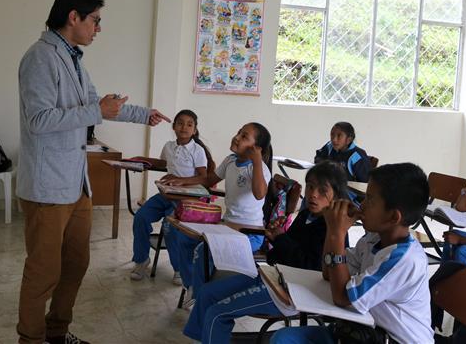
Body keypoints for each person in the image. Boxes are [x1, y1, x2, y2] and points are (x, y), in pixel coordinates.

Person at [16, 0, 170, 344]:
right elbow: (38, 120)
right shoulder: (40, 57)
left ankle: (57, 333)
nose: (98, 29)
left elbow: (96, 104)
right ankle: (31, 339)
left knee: (76, 264)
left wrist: (142, 114)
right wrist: (95, 110)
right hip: (47, 188)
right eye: (95, 21)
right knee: (43, 272)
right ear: (74, 17)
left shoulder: (72, 59)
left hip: (74, 184)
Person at [183, 161, 350, 344]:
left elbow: (311, 268)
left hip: (292, 293)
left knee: (218, 313)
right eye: (310, 187)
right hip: (273, 276)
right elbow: (287, 250)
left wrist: (281, 239)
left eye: (322, 191)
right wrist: (274, 237)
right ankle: (204, 339)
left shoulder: (334, 231)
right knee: (207, 293)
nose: (313, 194)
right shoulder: (305, 215)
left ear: (337, 197)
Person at [271, 163, 433, 344]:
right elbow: (328, 272)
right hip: (360, 331)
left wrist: (337, 233)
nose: (361, 205)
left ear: (393, 217)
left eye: (370, 200)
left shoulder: (404, 260)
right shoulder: (373, 238)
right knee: (284, 339)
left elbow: (342, 297)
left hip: (392, 339)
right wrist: (332, 228)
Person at [169, 122, 273, 302]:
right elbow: (209, 180)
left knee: (203, 250)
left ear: (257, 148)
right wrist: (182, 181)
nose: (237, 137)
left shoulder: (260, 168)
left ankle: (201, 297)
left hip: (249, 234)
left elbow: (259, 193)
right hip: (227, 226)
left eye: (244, 136)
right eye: (239, 132)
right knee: (183, 237)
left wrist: (257, 160)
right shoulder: (231, 160)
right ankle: (193, 288)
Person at [130, 109, 215, 284]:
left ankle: (178, 269)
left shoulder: (197, 150)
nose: (184, 127)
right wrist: (140, 163)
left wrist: (180, 180)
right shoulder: (168, 146)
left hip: (186, 200)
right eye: (180, 123)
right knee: (141, 217)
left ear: (195, 129)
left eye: (189, 124)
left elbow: (203, 178)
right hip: (165, 195)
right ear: (173, 126)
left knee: (170, 228)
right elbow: (164, 166)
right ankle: (141, 260)